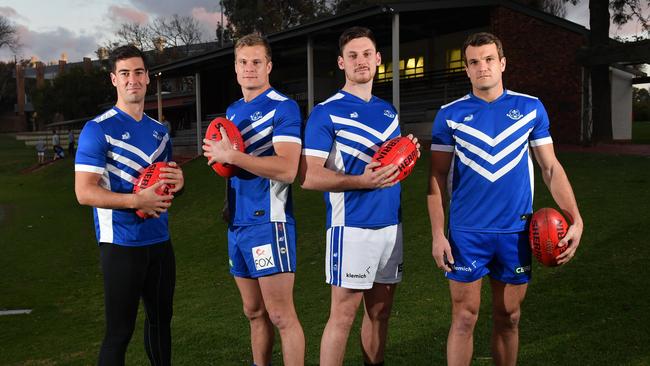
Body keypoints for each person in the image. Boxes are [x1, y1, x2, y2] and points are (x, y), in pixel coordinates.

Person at [427, 32, 583, 366]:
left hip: (516, 233)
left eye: (487, 60)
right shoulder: (449, 115)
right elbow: (436, 177)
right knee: (464, 319)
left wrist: (576, 218)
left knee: (509, 316)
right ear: (466, 70)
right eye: (473, 62)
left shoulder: (529, 108)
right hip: (467, 233)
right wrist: (438, 234)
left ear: (502, 63)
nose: (481, 67)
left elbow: (551, 168)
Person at [300, 26, 419, 366]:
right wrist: (361, 181)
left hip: (390, 226)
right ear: (342, 63)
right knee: (343, 316)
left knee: (380, 312)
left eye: (367, 54)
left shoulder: (388, 112)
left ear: (378, 59)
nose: (361, 61)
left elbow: (390, 165)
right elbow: (309, 176)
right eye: (352, 55)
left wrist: (408, 157)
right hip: (351, 228)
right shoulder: (326, 112)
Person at [74, 45, 184, 366]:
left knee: (161, 323)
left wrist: (179, 184)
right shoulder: (98, 129)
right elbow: (84, 192)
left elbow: (167, 181)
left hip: (160, 242)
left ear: (148, 78)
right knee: (119, 333)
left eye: (138, 72)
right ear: (114, 79)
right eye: (124, 73)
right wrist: (137, 200)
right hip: (121, 244)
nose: (132, 79)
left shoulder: (160, 132)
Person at [202, 33, 305, 366]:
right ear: (235, 68)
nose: (249, 69)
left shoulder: (283, 106)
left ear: (268, 66)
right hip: (237, 224)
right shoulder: (232, 111)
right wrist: (220, 161)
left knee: (280, 315)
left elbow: (288, 169)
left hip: (268, 222)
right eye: (243, 62)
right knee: (254, 312)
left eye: (256, 62)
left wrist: (230, 155)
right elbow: (229, 165)